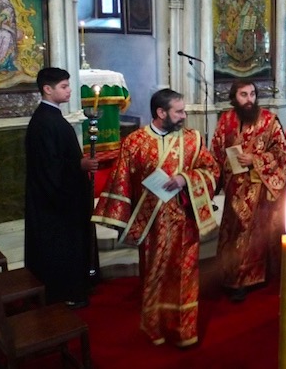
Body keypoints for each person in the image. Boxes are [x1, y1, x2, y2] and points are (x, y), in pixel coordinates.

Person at [92, 89, 220, 347]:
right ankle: (155, 326)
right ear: (161, 113)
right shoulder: (135, 142)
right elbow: (121, 180)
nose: (184, 116)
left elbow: (212, 170)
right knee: (154, 275)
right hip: (151, 226)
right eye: (178, 111)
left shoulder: (193, 139)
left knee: (185, 276)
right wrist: (119, 219)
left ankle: (184, 329)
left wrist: (185, 178)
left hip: (184, 223)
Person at [24, 67, 98, 308]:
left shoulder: (51, 117)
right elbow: (48, 165)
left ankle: (75, 287)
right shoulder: (45, 121)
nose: (69, 91)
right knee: (61, 248)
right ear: (48, 89)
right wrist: (80, 164)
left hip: (61, 196)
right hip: (55, 203)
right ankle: (65, 293)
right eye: (64, 87)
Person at [211, 81, 286, 302]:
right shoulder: (225, 120)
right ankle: (229, 274)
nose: (249, 99)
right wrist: (211, 183)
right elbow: (215, 152)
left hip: (258, 188)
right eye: (243, 94)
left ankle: (247, 278)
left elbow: (282, 153)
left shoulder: (269, 120)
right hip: (232, 188)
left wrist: (255, 159)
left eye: (252, 94)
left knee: (251, 233)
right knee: (232, 232)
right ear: (234, 97)